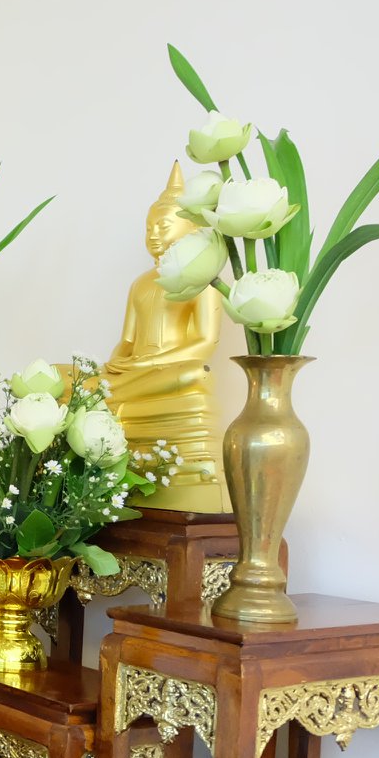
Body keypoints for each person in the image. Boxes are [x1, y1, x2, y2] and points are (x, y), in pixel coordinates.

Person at [102, 162, 229, 513]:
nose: (154, 234)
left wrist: (153, 362)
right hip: (135, 373)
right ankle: (113, 400)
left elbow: (205, 343)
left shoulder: (204, 280)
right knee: (68, 378)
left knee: (194, 375)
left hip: (170, 371)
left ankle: (115, 404)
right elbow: (128, 341)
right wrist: (120, 361)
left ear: (191, 227)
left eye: (163, 225)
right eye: (149, 228)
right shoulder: (140, 284)